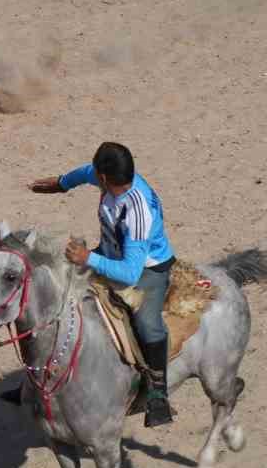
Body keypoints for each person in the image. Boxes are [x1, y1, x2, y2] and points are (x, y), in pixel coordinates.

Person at [22, 141, 177, 427]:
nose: (94, 176)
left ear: (104, 178)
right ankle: (37, 381)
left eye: (97, 174)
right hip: (111, 253)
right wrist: (62, 183)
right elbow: (84, 173)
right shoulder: (111, 179)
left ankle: (157, 393)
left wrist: (88, 258)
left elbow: (129, 274)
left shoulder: (137, 212)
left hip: (147, 269)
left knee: (146, 323)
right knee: (57, 289)